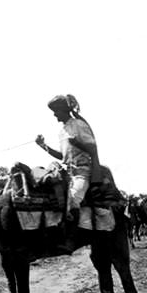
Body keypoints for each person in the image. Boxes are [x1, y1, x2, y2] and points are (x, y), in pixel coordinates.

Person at [36, 95, 100, 249]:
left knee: (72, 200)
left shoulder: (79, 125)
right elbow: (62, 156)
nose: (54, 115)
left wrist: (78, 143)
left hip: (81, 172)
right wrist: (43, 146)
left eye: (56, 111)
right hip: (66, 172)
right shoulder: (62, 131)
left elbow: (93, 148)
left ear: (64, 110)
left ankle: (70, 239)